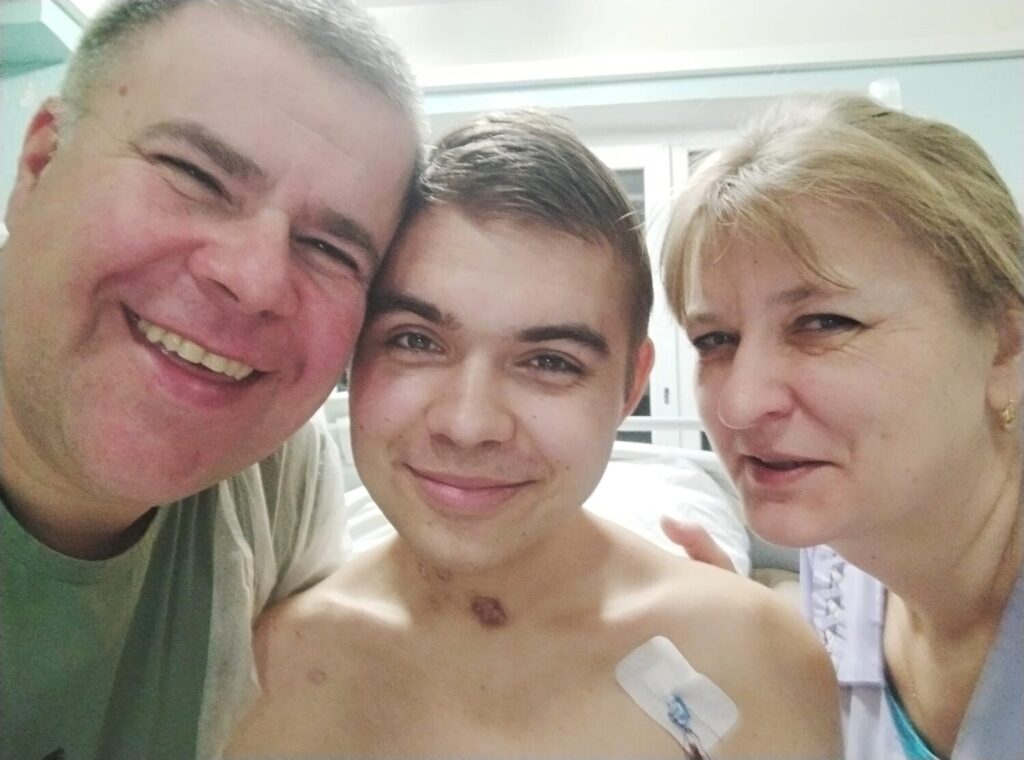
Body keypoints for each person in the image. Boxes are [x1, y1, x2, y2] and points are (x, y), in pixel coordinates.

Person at [226, 110, 841, 759]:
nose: (469, 425)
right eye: (415, 341)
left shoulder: (757, 659)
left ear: (629, 387)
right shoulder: (264, 668)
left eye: (550, 361)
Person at [0, 1, 422, 758]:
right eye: (195, 175)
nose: (256, 280)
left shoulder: (277, 469)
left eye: (331, 249)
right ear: (40, 164)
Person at [660, 94, 1024, 759]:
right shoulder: (839, 560)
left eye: (824, 323)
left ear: (1005, 348)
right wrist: (764, 679)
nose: (739, 404)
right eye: (715, 339)